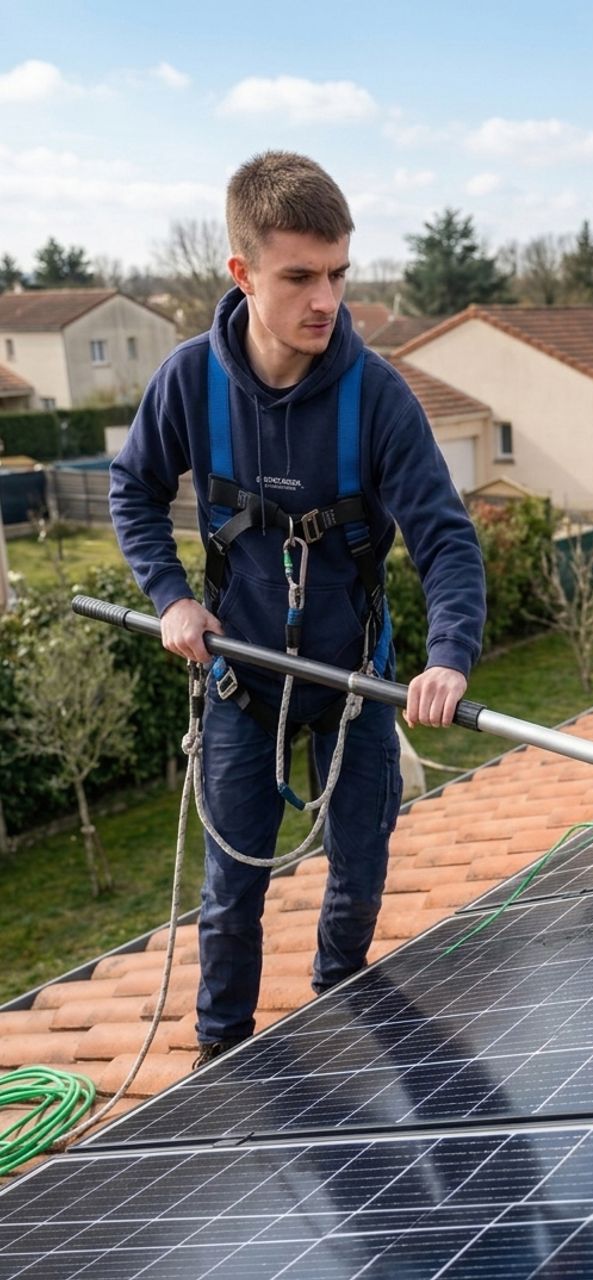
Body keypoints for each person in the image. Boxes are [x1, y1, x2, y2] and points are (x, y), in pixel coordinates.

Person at [109, 150, 485, 1067]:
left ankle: (337, 1003)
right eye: (300, 276)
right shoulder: (190, 383)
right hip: (241, 684)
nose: (327, 299)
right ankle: (219, 1058)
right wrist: (173, 599)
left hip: (354, 684)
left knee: (358, 877)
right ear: (241, 274)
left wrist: (448, 654)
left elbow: (445, 540)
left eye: (339, 273)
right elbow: (134, 490)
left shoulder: (379, 399)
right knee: (230, 893)